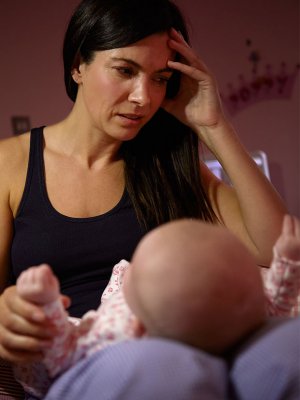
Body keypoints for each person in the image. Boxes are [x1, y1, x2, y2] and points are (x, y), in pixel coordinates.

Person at [0, 0, 286, 369]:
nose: (143, 97)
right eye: (125, 70)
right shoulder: (11, 164)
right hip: (77, 371)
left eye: (160, 80)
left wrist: (214, 126)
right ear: (77, 66)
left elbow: (280, 252)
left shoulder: (166, 167)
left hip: (181, 360)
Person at [13, 216, 300, 398]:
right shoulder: (238, 316)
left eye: (132, 272)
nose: (125, 266)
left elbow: (59, 354)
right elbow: (276, 303)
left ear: (139, 325)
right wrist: (287, 261)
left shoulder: (116, 334)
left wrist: (46, 304)